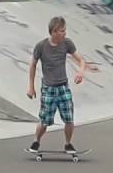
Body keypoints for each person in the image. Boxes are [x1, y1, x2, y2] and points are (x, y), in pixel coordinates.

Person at [27, 16, 87, 152]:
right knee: (44, 121)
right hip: (48, 89)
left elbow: (81, 60)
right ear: (53, 32)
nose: (64, 33)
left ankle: (68, 144)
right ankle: (36, 141)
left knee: (69, 119)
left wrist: (81, 72)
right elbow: (32, 65)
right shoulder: (41, 46)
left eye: (65, 30)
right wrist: (31, 87)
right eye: (61, 31)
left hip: (63, 88)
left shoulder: (67, 43)